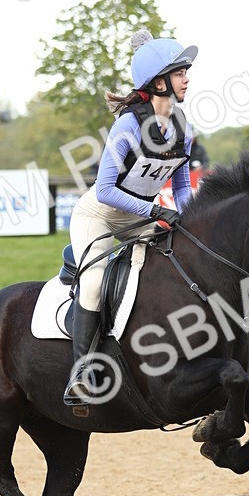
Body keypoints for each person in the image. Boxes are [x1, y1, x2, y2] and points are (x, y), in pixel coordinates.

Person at [63, 28, 197, 405]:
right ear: (158, 83)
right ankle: (81, 375)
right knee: (93, 284)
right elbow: (105, 190)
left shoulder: (184, 129)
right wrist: (155, 210)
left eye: (186, 71)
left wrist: (188, 217)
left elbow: (183, 188)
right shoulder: (127, 125)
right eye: (179, 72)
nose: (187, 78)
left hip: (139, 216)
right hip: (101, 215)